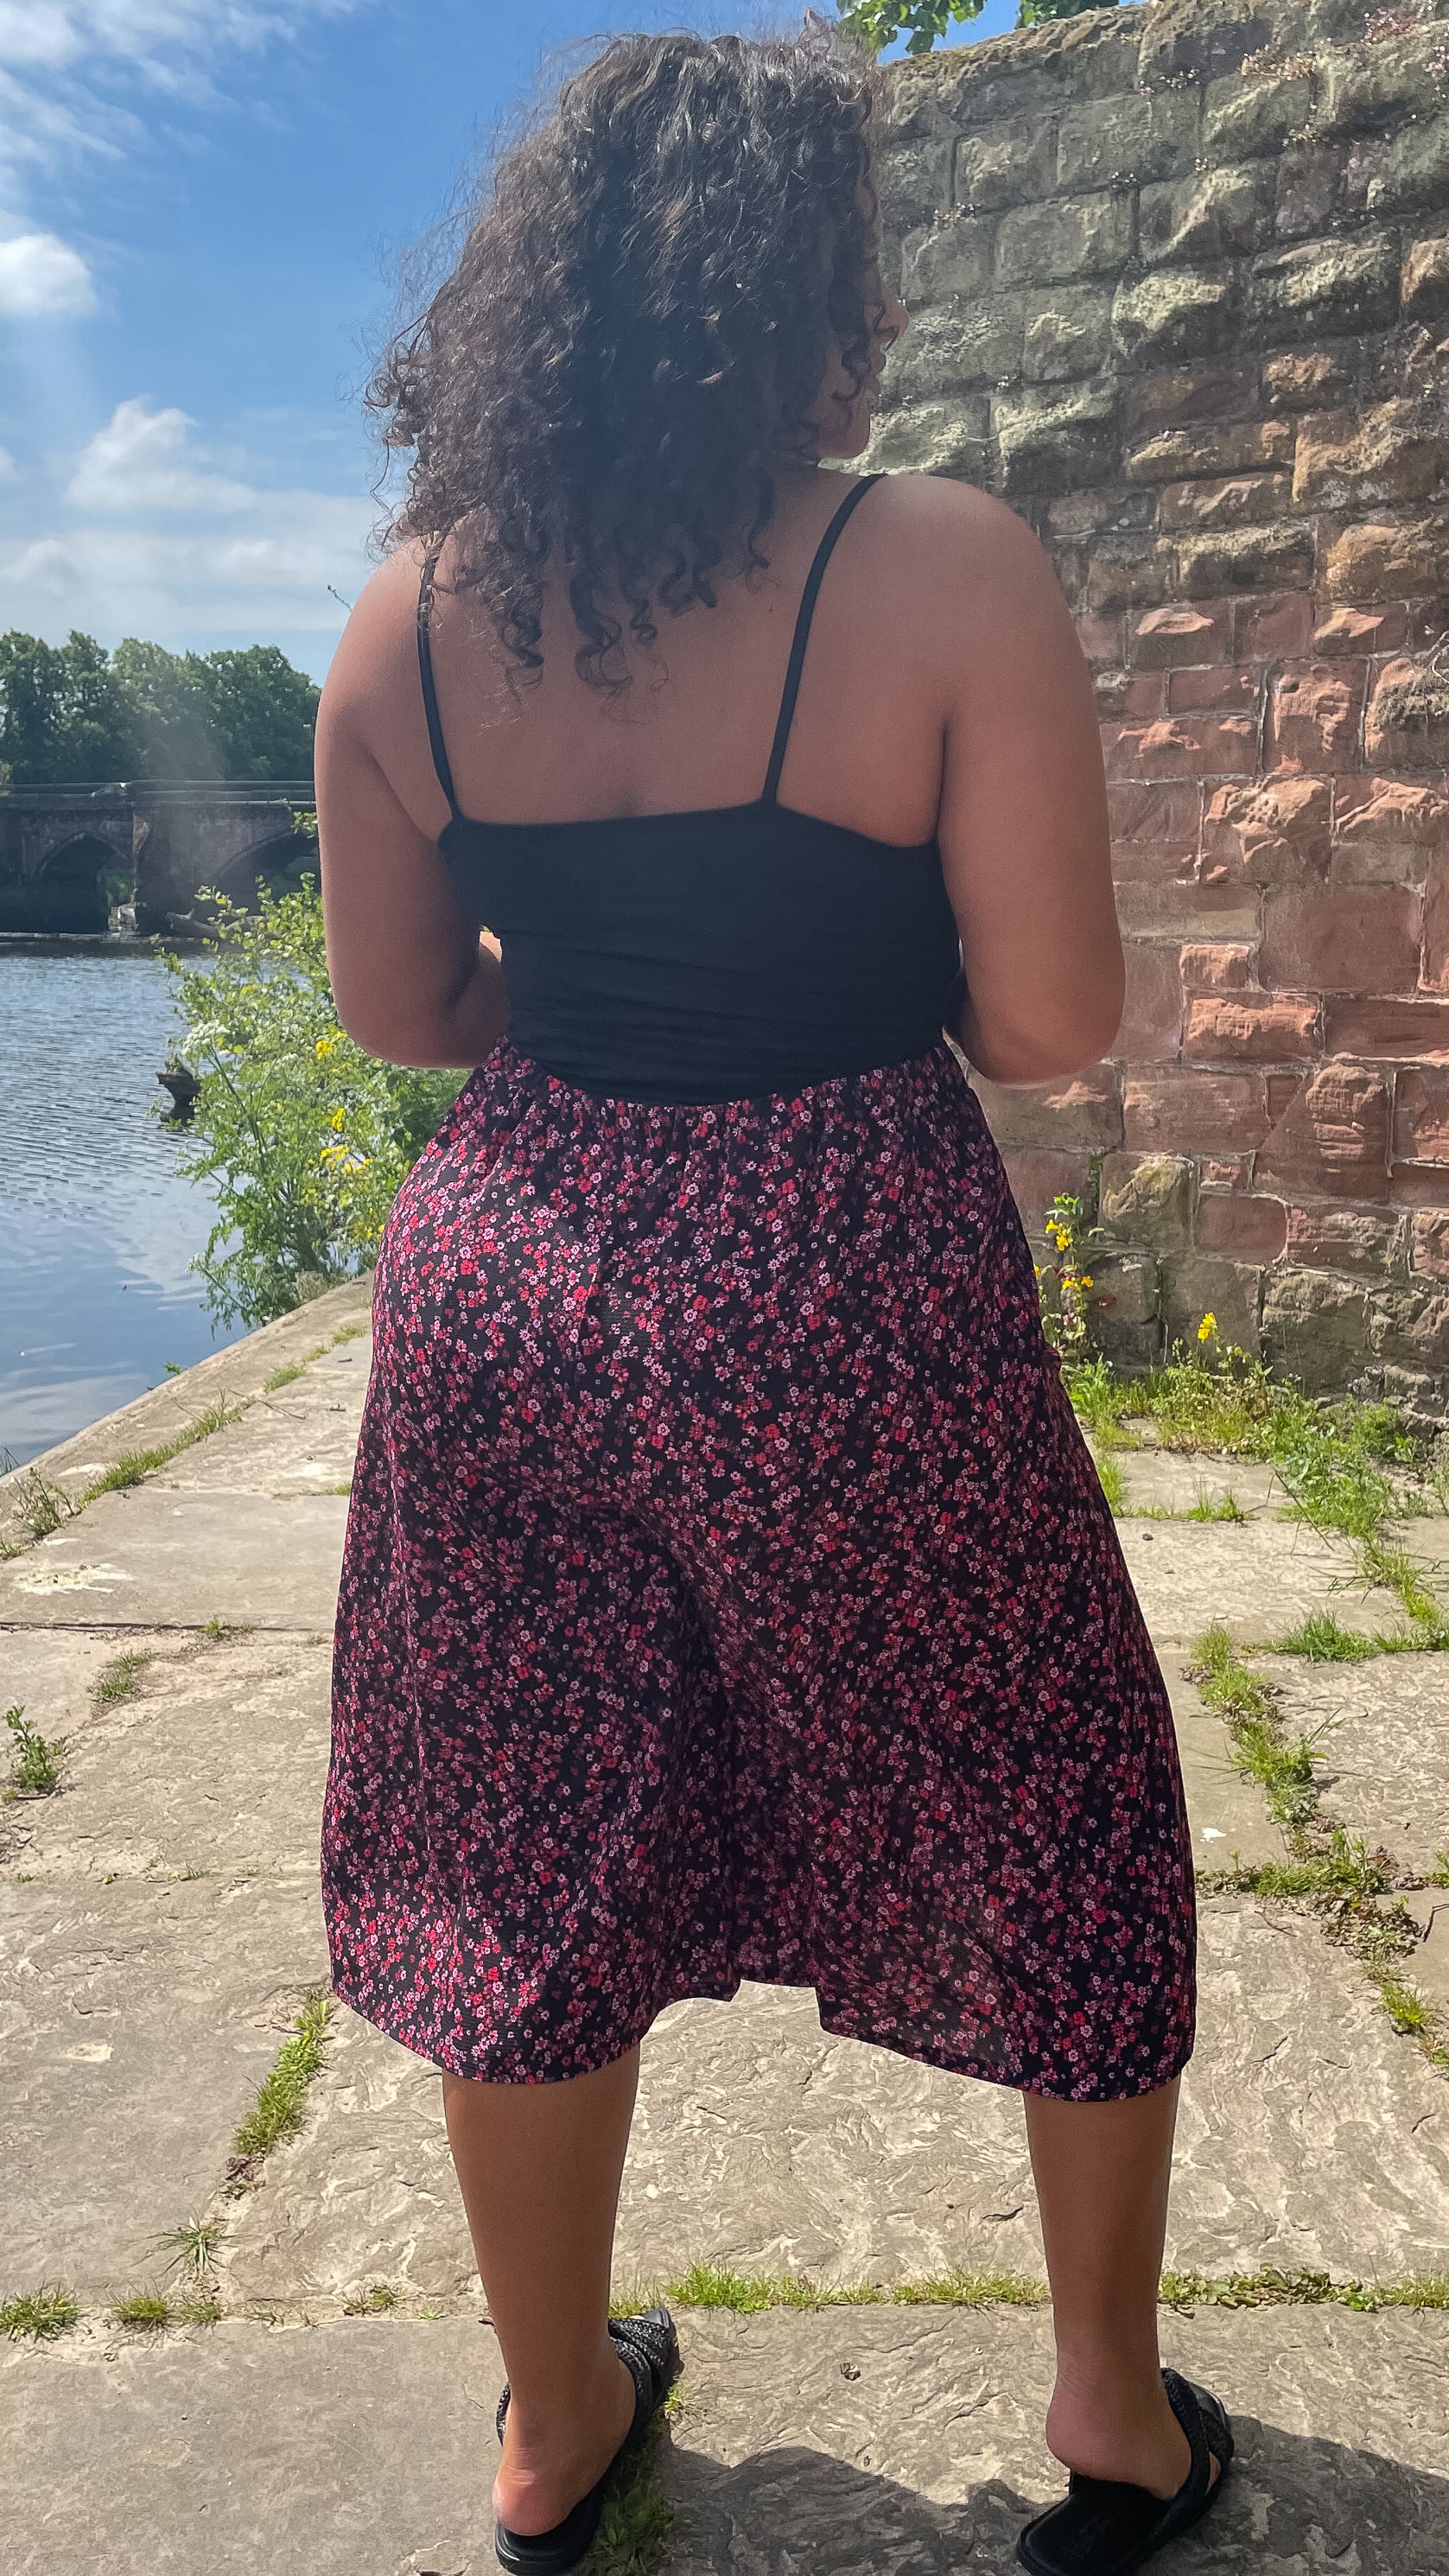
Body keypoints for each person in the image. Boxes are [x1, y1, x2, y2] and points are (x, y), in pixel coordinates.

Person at [315, 27, 1231, 2576]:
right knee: (1046, 1774)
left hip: (512, 1275)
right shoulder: (937, 564)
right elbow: (1050, 1019)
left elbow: (404, 1011)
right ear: (800, 291)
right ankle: (1110, 2413)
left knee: (521, 1827)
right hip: (851, 1272)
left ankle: (551, 2420)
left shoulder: (406, 614)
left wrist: (611, 1016)